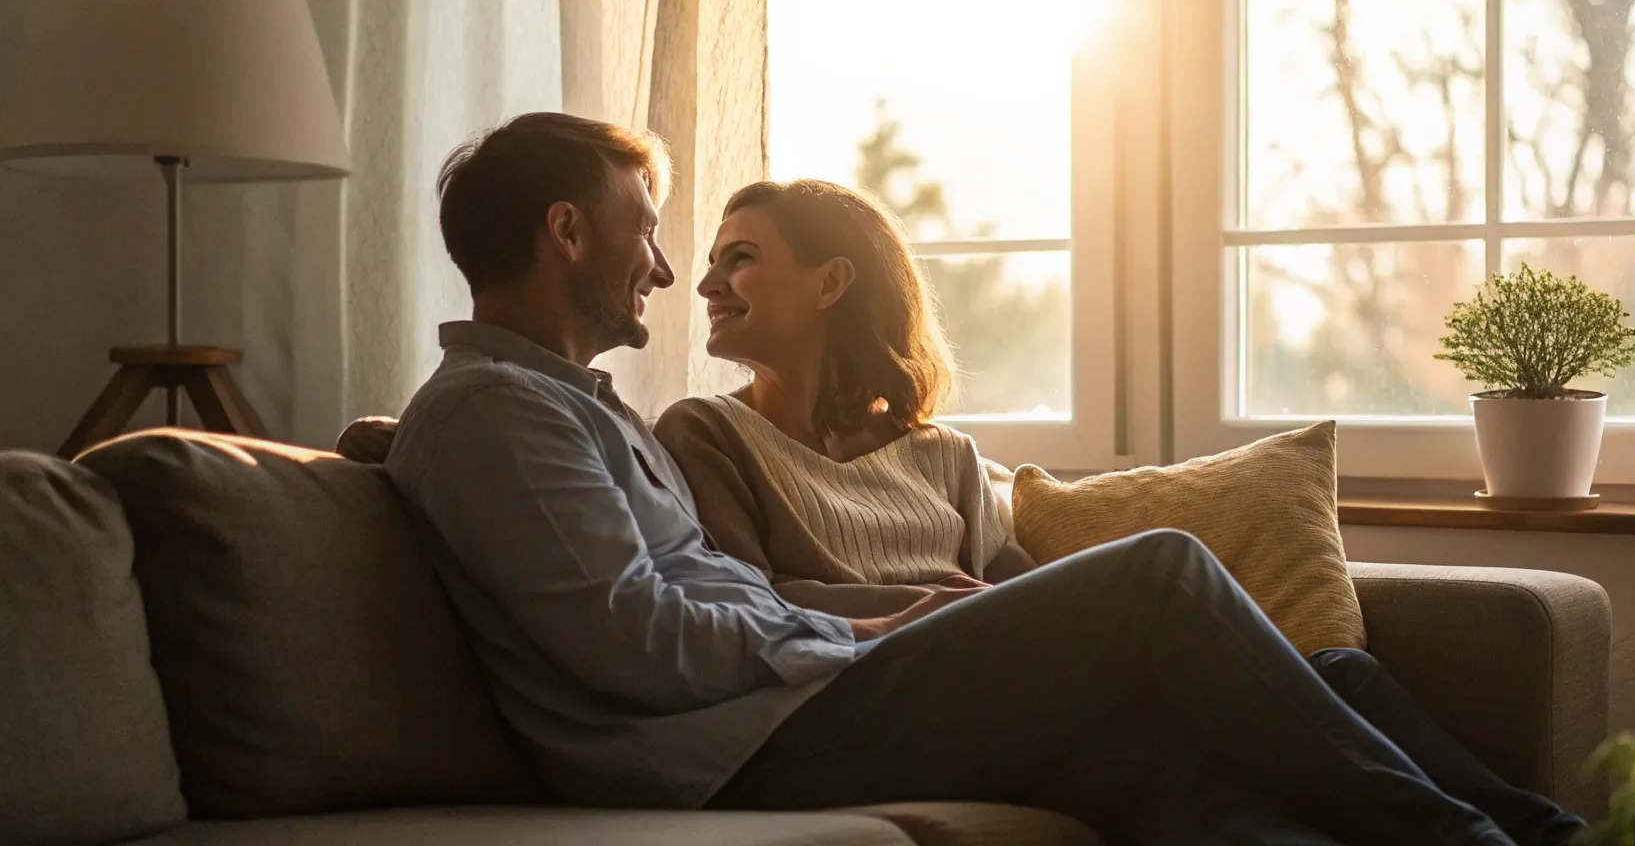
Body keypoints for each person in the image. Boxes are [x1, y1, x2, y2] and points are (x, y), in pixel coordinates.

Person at [380, 111, 1554, 846]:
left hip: (778, 711)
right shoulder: (496, 413)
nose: (663, 266)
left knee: (1149, 762)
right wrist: (846, 634)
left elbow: (672, 589)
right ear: (566, 234)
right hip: (736, 752)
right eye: (643, 228)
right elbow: (633, 639)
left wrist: (866, 622)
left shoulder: (563, 409)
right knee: (1157, 575)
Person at [653, 178, 1583, 846]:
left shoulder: (940, 453)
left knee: (1319, 681)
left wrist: (1011, 613)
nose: (706, 285)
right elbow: (750, 600)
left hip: (1002, 689)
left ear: (830, 283)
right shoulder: (705, 431)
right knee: (1161, 569)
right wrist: (926, 602)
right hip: (860, 695)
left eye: (741, 259)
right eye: (713, 262)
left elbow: (1023, 589)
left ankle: (1560, 834)